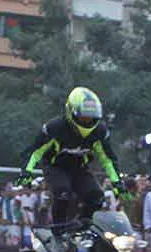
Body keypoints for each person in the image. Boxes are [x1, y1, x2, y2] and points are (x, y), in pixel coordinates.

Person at [17, 87, 126, 225]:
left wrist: (117, 182)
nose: (87, 121)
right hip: (55, 167)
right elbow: (35, 152)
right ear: (71, 112)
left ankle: (83, 225)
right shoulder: (55, 128)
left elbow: (108, 159)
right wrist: (26, 171)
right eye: (83, 117)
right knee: (63, 194)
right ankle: (59, 229)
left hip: (80, 168)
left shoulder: (99, 131)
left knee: (97, 197)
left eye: (91, 118)